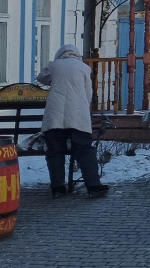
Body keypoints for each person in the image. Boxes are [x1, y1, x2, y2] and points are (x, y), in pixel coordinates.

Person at [37, 45, 108, 199]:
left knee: (55, 151)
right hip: (78, 116)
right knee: (85, 150)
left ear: (60, 54)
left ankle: (57, 188)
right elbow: (88, 94)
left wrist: (54, 80)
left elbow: (41, 78)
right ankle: (94, 186)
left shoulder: (54, 66)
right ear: (77, 55)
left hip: (55, 116)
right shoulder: (83, 68)